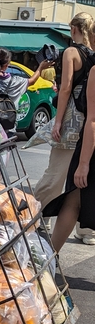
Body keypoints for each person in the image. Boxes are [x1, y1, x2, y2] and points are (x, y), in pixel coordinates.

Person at [34, 12, 95, 244]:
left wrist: (57, 121)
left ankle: (31, 214)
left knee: (55, 173)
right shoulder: (93, 56)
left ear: (73, 29)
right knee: (83, 181)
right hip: (89, 124)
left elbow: (66, 88)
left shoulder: (71, 52)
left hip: (72, 123)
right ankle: (86, 230)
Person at [47, 63, 95, 253]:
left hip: (91, 147)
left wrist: (83, 163)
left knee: (73, 199)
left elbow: (93, 119)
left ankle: (50, 259)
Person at [0, 47, 52, 136]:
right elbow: (32, 80)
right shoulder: (16, 81)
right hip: (9, 128)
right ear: (7, 64)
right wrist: (41, 67)